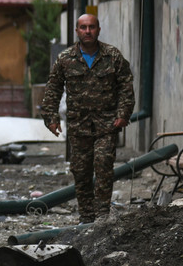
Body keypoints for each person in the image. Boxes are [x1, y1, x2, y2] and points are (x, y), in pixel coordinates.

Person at [41, 13, 135, 222]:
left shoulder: (113, 56)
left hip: (106, 123)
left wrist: (123, 114)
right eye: (83, 27)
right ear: (77, 31)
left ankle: (102, 214)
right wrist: (51, 117)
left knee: (103, 165)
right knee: (81, 171)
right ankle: (86, 216)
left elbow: (126, 86)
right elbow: (53, 88)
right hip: (78, 125)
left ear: (98, 30)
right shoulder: (65, 59)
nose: (87, 31)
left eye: (91, 27)